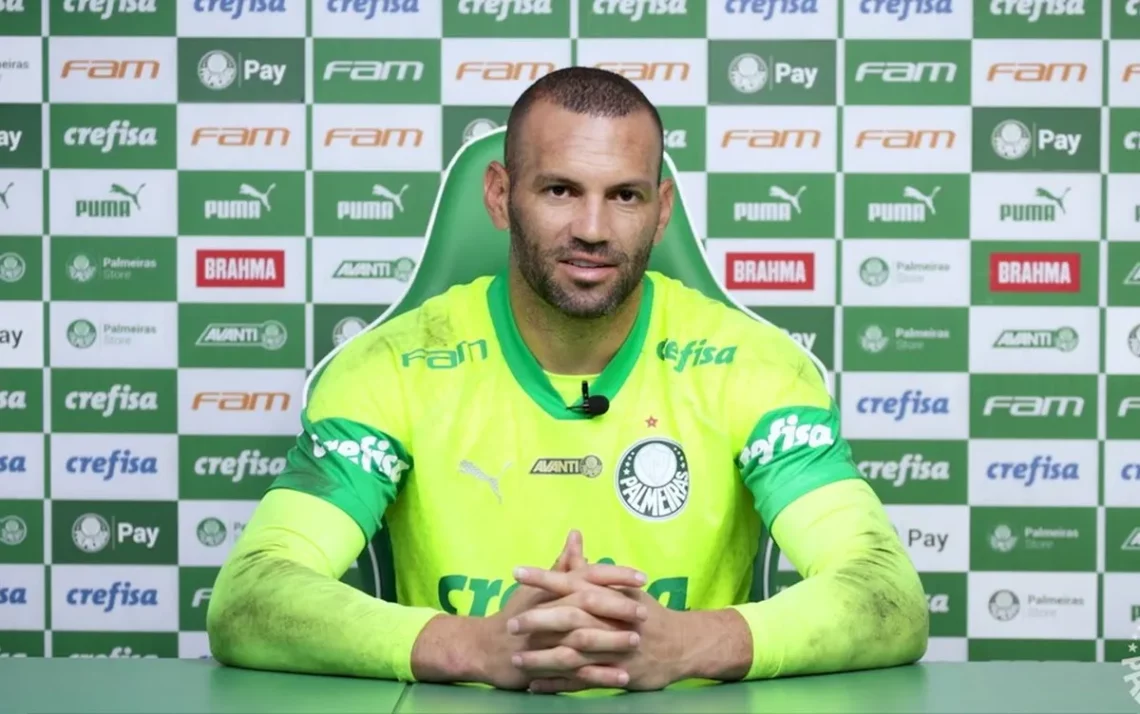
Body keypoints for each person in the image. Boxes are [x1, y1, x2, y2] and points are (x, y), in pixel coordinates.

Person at [206, 66, 929, 693]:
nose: (591, 227)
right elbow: (250, 595)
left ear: (662, 208)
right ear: (499, 196)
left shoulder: (754, 366)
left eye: (624, 196)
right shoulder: (392, 367)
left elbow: (886, 593)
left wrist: (682, 645)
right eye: (559, 189)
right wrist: (476, 649)